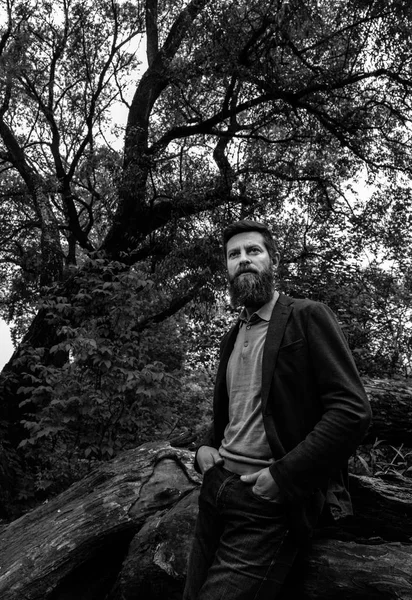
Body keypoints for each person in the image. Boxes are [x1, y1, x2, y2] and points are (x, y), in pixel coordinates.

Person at [183, 219, 372, 600]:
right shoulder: (233, 336)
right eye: (233, 255)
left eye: (253, 251)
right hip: (216, 490)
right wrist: (206, 446)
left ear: (273, 260)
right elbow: (237, 409)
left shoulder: (306, 316)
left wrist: (284, 478)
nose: (243, 260)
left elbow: (352, 410)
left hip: (267, 504)